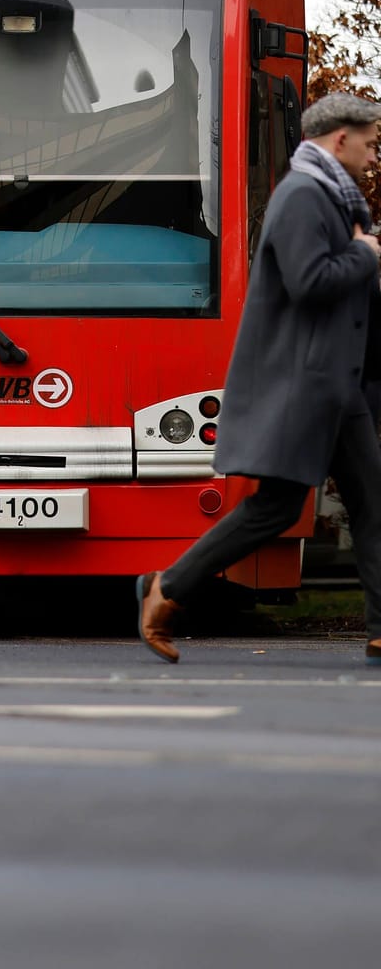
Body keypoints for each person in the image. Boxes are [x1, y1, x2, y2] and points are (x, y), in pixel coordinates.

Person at [138, 92, 381, 663]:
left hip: (335, 388)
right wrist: (366, 255)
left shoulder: (335, 198)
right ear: (340, 139)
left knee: (373, 506)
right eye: (370, 144)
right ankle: (165, 588)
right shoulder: (302, 197)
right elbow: (308, 281)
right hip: (306, 387)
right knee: (273, 509)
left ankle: (379, 626)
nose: (374, 157)